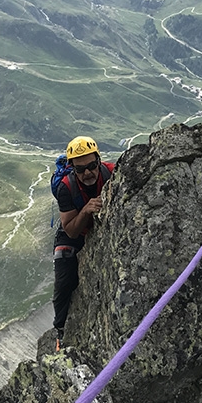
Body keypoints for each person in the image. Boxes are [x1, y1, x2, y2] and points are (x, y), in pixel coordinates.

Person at [52, 135, 114, 348]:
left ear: (98, 160)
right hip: (75, 232)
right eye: (80, 169)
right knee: (64, 277)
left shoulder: (111, 172)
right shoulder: (65, 188)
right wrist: (86, 210)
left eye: (91, 166)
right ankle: (60, 329)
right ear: (72, 168)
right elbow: (70, 230)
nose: (87, 173)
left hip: (98, 229)